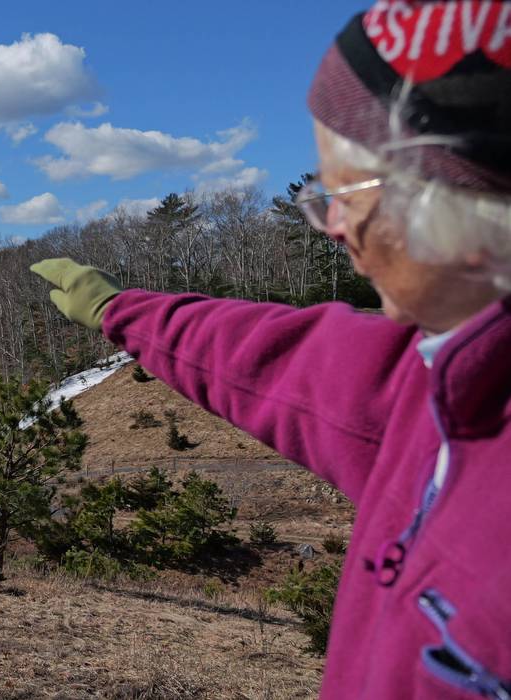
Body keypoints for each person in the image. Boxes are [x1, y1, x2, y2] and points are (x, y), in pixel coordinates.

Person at [32, 2, 511, 697]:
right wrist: (116, 309)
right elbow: (256, 357)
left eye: (345, 194)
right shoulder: (427, 384)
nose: (331, 225)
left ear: (461, 206)